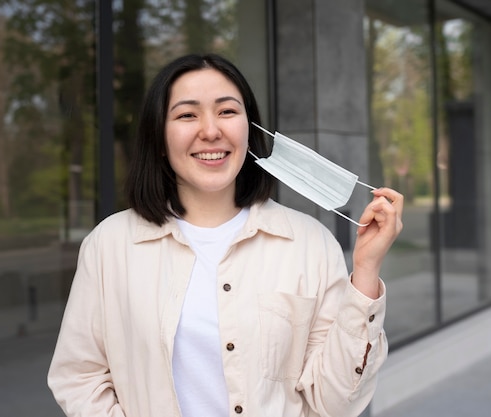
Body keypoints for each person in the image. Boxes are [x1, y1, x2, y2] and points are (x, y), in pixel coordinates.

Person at [47, 53, 403, 417]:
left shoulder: (310, 244)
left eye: (227, 111)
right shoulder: (110, 245)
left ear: (250, 128)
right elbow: (79, 377)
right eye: (187, 114)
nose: (211, 130)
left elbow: (336, 403)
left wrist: (365, 272)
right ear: (158, 135)